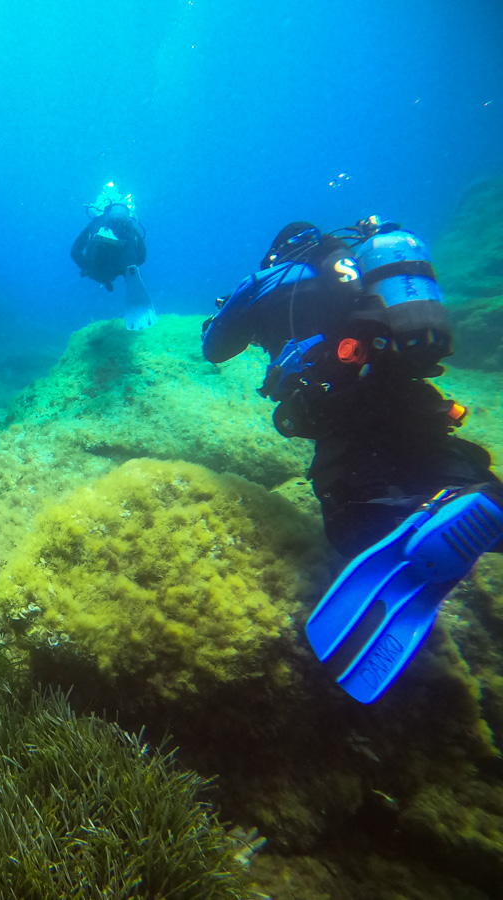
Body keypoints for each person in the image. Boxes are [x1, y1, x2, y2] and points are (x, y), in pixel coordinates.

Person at [201, 216, 503, 703]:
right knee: (434, 461)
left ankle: (427, 514)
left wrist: (232, 311)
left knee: (349, 521)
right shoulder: (368, 270)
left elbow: (214, 348)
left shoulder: (272, 279)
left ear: (280, 252)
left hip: (343, 408)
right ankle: (479, 491)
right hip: (414, 400)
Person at [71, 189, 157, 331]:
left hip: (98, 263)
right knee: (128, 265)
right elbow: (142, 255)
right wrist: (135, 264)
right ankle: (129, 272)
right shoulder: (128, 225)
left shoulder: (95, 223)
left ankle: (106, 275)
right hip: (124, 260)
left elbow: (75, 251)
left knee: (98, 272)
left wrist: (86, 267)